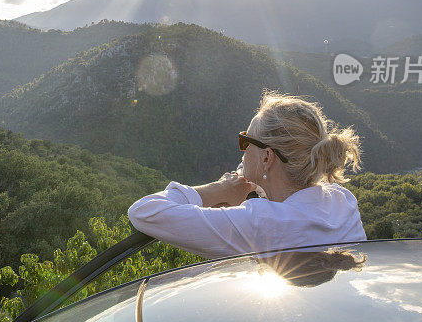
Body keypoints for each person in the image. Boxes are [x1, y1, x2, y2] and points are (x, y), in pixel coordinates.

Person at [127, 91, 367, 259]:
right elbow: (294, 189)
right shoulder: (342, 201)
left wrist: (217, 189)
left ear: (266, 157)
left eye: (246, 141)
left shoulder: (260, 222)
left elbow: (145, 211)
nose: (242, 151)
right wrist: (257, 182)